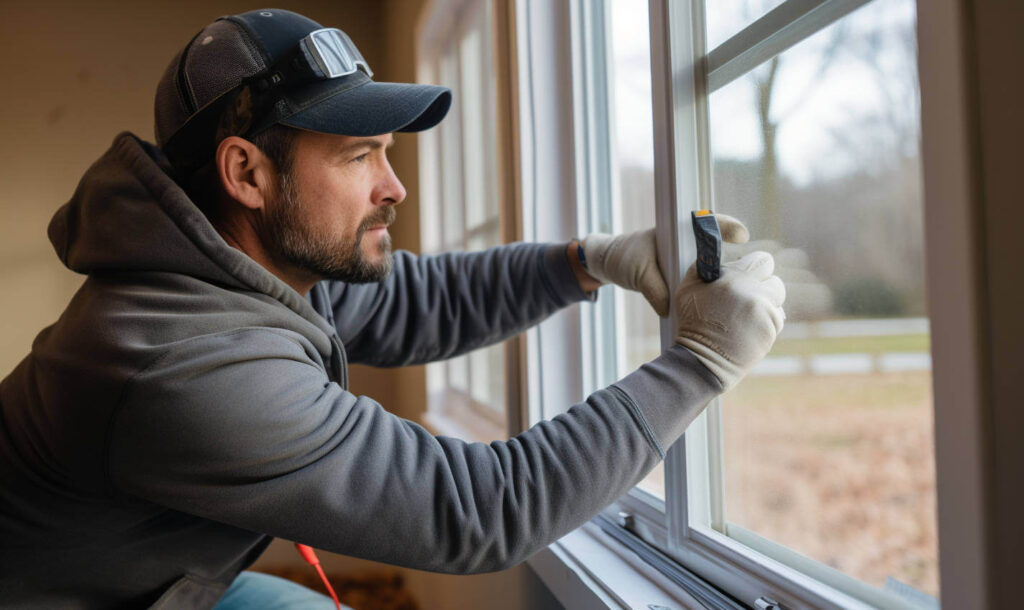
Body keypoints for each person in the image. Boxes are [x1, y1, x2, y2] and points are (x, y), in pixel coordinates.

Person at [0, 8, 785, 609]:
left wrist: (584, 261)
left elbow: (413, 300)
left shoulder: (233, 263)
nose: (393, 187)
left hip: (149, 577)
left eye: (388, 152)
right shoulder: (181, 364)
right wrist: (698, 364)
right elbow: (481, 507)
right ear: (246, 172)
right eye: (357, 156)